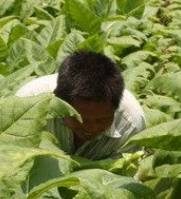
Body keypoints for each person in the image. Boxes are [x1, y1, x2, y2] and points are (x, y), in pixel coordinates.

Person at [15, 50, 146, 159]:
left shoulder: (131, 123)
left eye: (102, 120)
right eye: (79, 119)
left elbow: (120, 178)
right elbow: (10, 160)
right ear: (60, 103)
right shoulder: (26, 106)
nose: (91, 128)